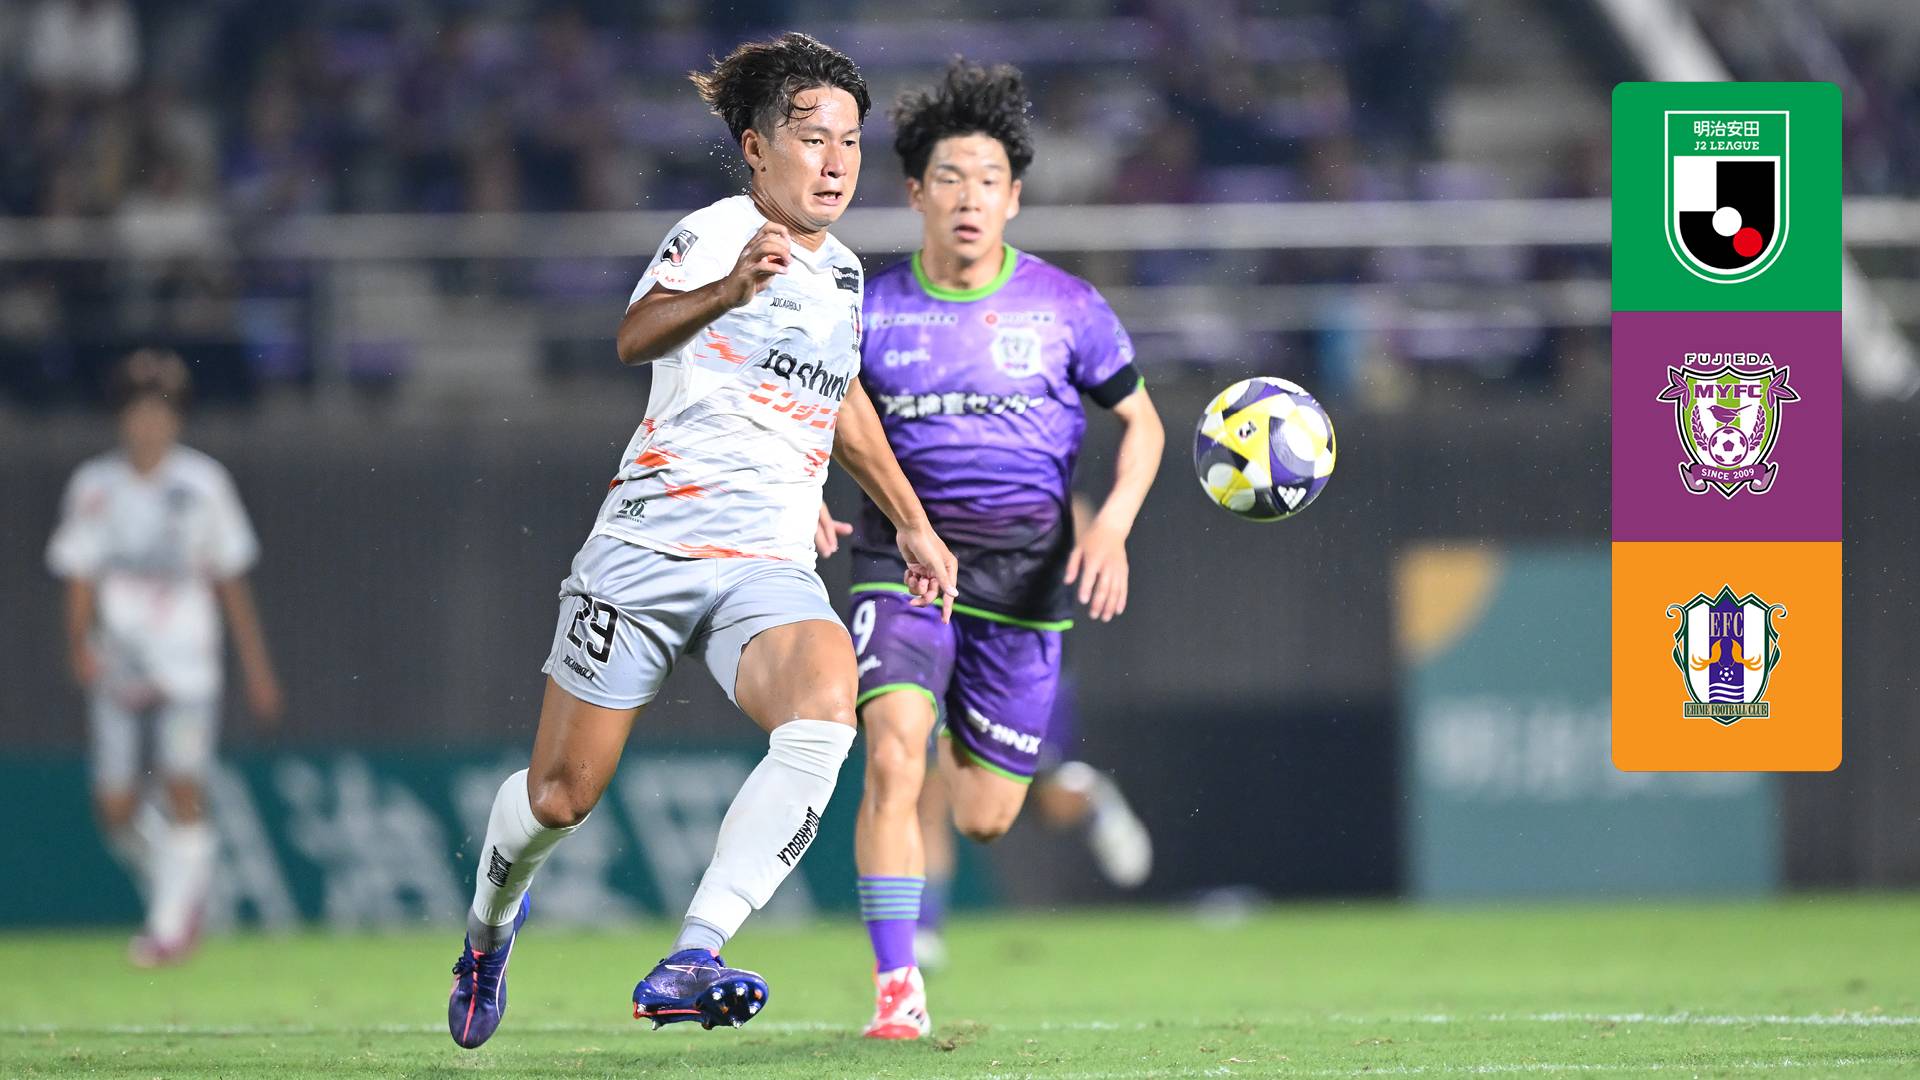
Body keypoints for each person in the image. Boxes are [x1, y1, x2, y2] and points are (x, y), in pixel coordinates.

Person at [447, 32, 958, 1049]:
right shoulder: (719, 232)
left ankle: (694, 953)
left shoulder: (844, 274)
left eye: (850, 142)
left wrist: (911, 521)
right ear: (757, 148)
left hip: (766, 563)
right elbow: (634, 335)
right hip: (649, 551)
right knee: (560, 798)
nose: (835, 162)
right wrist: (729, 289)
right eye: (811, 139)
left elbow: (839, 400)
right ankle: (488, 930)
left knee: (827, 706)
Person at [820, 59, 1165, 1040]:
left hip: (1023, 586)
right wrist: (805, 497)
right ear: (915, 193)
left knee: (982, 815)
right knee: (895, 756)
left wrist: (1112, 525)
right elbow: (814, 416)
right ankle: (898, 988)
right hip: (903, 566)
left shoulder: (1067, 307)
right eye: (949, 179)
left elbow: (1142, 424)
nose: (968, 198)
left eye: (987, 181)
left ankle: (1056, 786)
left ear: (1014, 199)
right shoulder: (869, 309)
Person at [46, 348, 283, 967]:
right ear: (121, 417)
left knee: (183, 782)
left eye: (160, 410)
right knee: (115, 806)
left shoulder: (204, 484)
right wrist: (78, 644)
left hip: (187, 664)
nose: (149, 423)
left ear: (176, 418)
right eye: (137, 411)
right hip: (119, 663)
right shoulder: (95, 487)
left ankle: (169, 923)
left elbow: (231, 580)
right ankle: (177, 883)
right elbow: (79, 574)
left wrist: (257, 669)